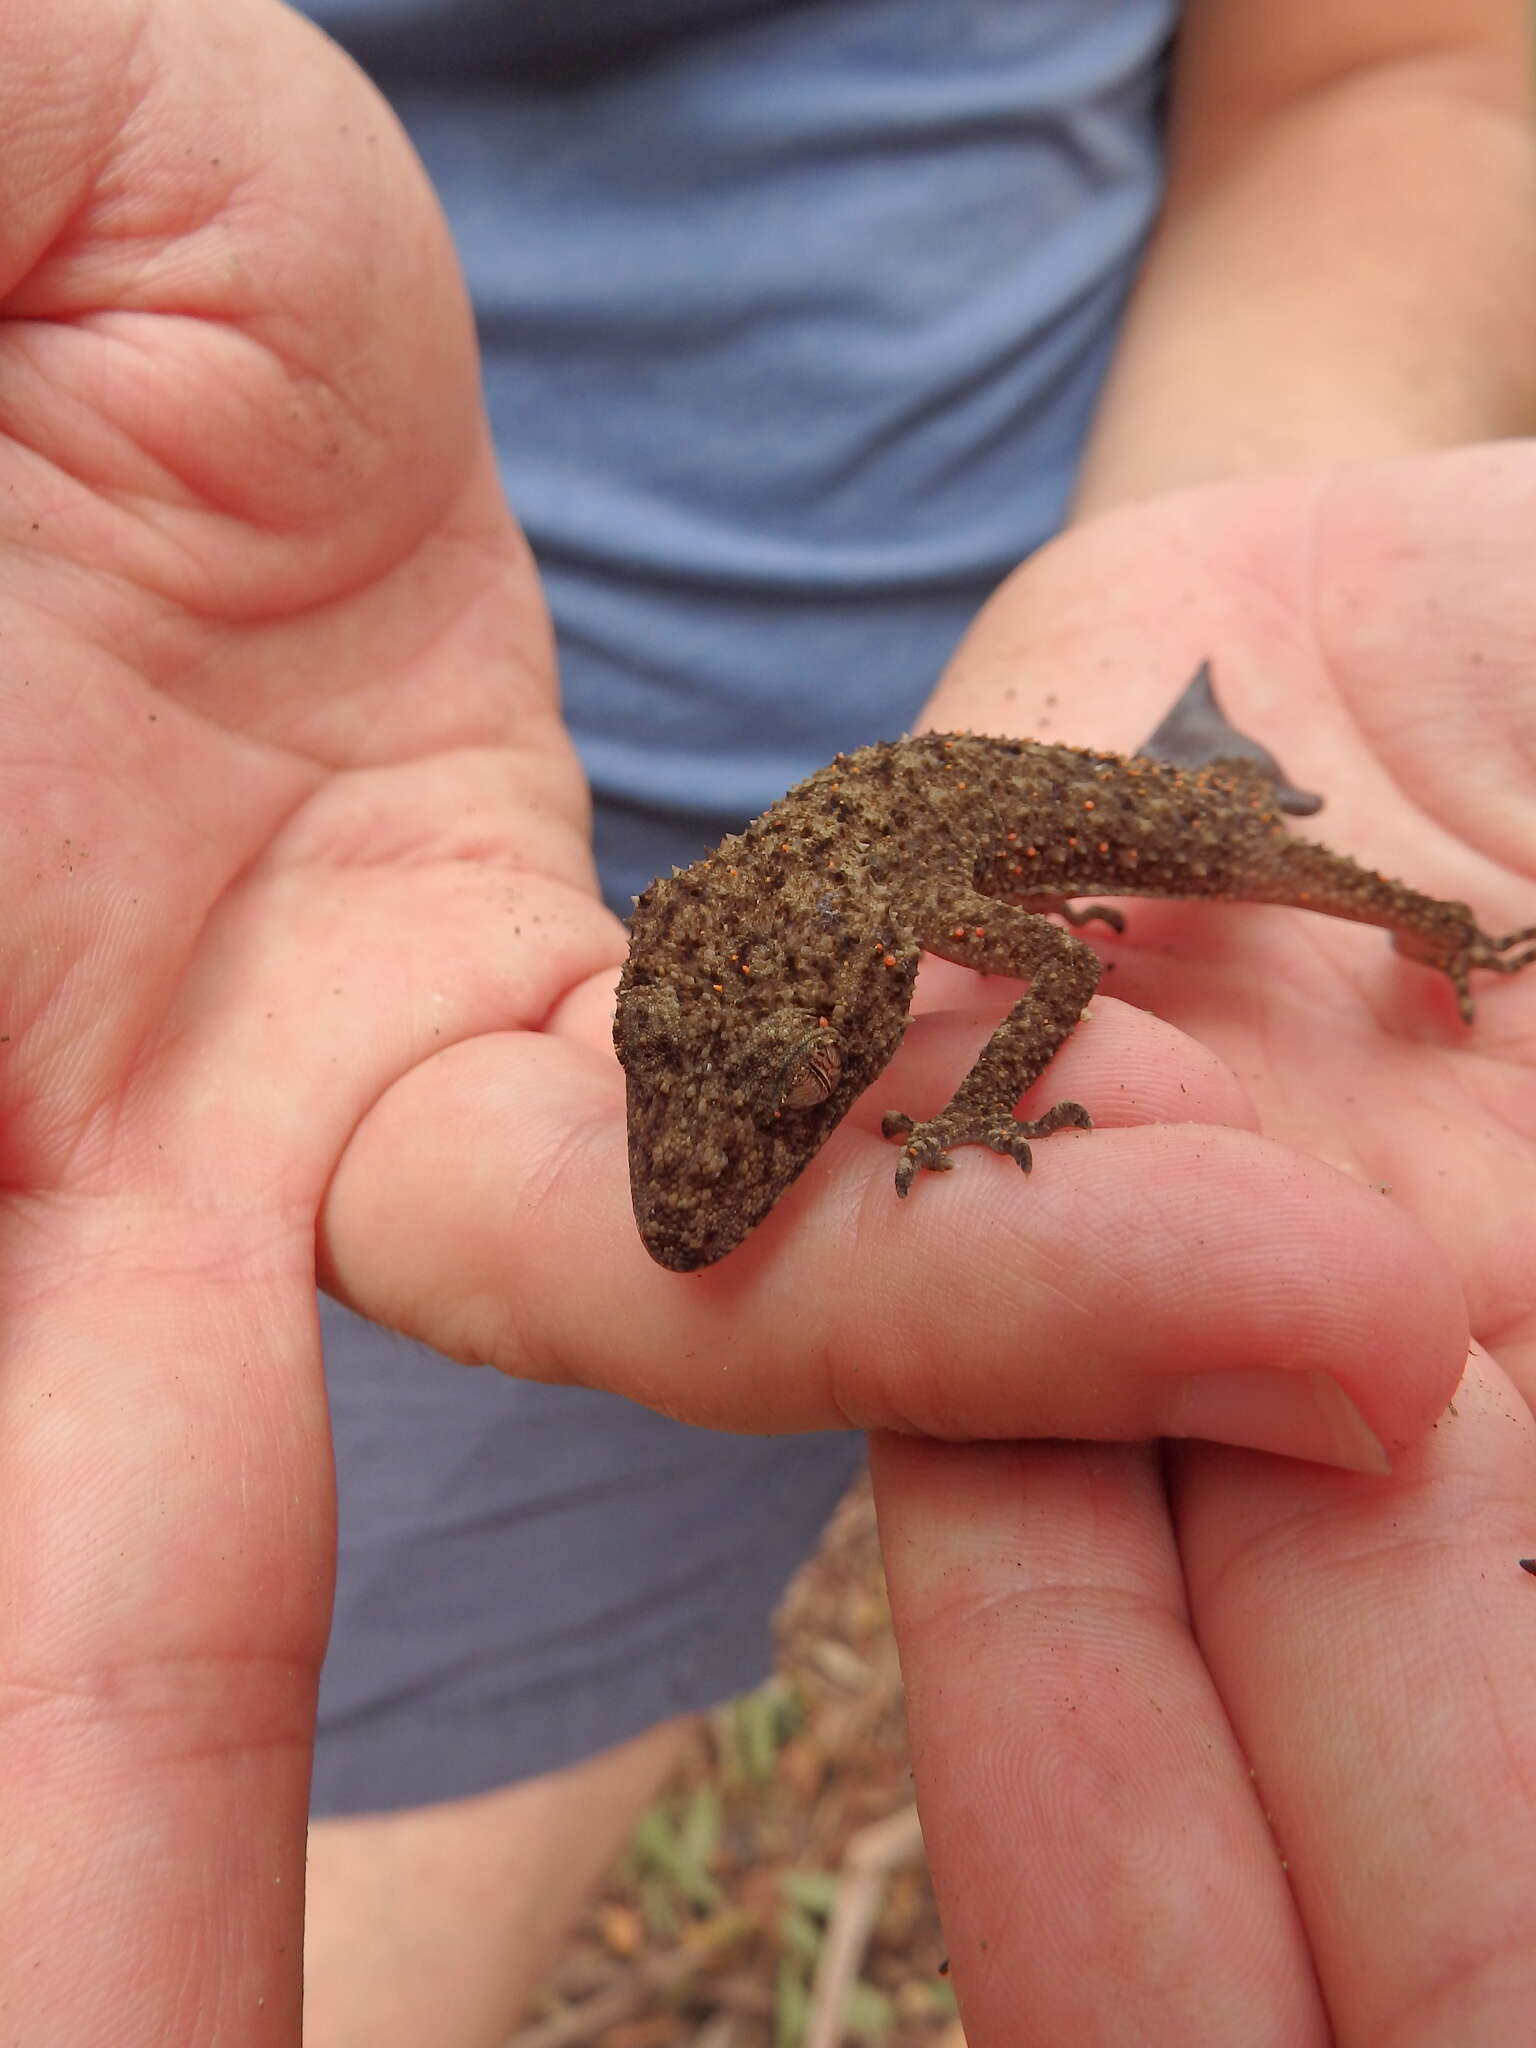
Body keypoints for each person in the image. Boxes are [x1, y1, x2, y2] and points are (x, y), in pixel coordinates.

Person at [3, 1, 1535, 2044]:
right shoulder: (758, 939)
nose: (704, 1184)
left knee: (1322, 889)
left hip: (1084, 746)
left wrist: (1005, 1095)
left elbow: (1068, 965)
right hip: (377, 871)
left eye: (804, 1101)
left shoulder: (919, 911)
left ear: (868, 1008)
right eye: (713, 1091)